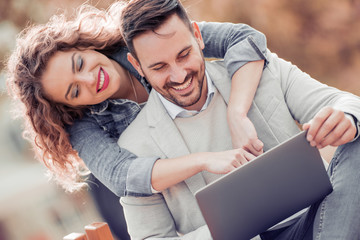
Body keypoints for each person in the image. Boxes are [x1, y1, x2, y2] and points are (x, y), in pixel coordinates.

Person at [6, 1, 268, 238]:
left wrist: (237, 113)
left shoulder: (142, 38)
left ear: (83, 45)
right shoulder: (81, 126)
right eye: (75, 91)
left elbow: (244, 39)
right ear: (69, 106)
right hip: (157, 200)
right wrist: (203, 160)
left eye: (79, 63)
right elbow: (124, 177)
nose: (89, 79)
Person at [118, 0, 360, 239]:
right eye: (159, 67)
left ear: (197, 36)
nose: (179, 75)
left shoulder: (261, 71)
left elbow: (347, 103)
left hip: (321, 218)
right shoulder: (134, 147)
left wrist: (347, 117)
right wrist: (225, 230)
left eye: (184, 55)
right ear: (137, 65)